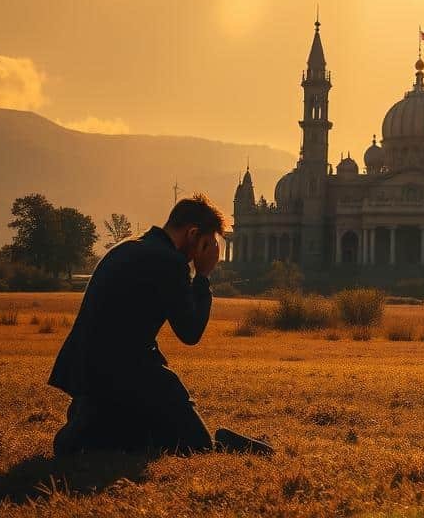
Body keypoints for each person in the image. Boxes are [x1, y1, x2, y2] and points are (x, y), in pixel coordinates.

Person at [48, 194, 271, 457]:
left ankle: (92, 424)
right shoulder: (168, 262)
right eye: (207, 243)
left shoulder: (129, 246)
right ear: (193, 234)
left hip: (88, 373)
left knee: (136, 435)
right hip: (129, 373)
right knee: (196, 445)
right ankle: (97, 428)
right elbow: (190, 332)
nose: (208, 251)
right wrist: (202, 276)